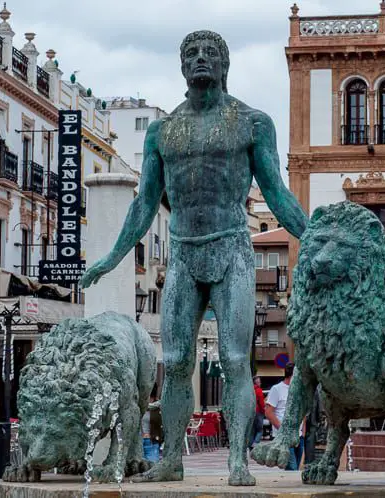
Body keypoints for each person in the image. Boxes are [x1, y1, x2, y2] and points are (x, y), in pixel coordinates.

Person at [80, 30, 307, 485]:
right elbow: (145, 203)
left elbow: (277, 194)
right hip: (183, 254)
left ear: (224, 64)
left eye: (210, 53)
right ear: (182, 66)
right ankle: (172, 459)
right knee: (179, 359)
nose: (201, 58)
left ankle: (237, 460)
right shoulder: (163, 132)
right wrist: (112, 258)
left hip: (232, 252)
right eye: (192, 53)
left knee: (236, 358)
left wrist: (314, 236)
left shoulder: (252, 122)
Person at [264, 363, 304, 470]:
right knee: (292, 467)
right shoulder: (277, 389)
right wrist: (282, 429)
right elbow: (268, 411)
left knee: (297, 466)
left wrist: (303, 431)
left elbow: (303, 410)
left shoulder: (299, 390)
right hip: (284, 436)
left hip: (298, 436)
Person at [141, 385, 162, 462]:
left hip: (152, 442)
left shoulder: (158, 407)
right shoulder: (138, 405)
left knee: (152, 465)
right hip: (138, 442)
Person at [249, 376, 265, 450]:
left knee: (252, 431)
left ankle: (251, 447)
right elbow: (261, 403)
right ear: (256, 382)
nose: (260, 383)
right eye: (259, 382)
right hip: (258, 412)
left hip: (250, 413)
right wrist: (263, 411)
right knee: (260, 430)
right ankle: (255, 443)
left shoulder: (250, 391)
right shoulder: (259, 390)